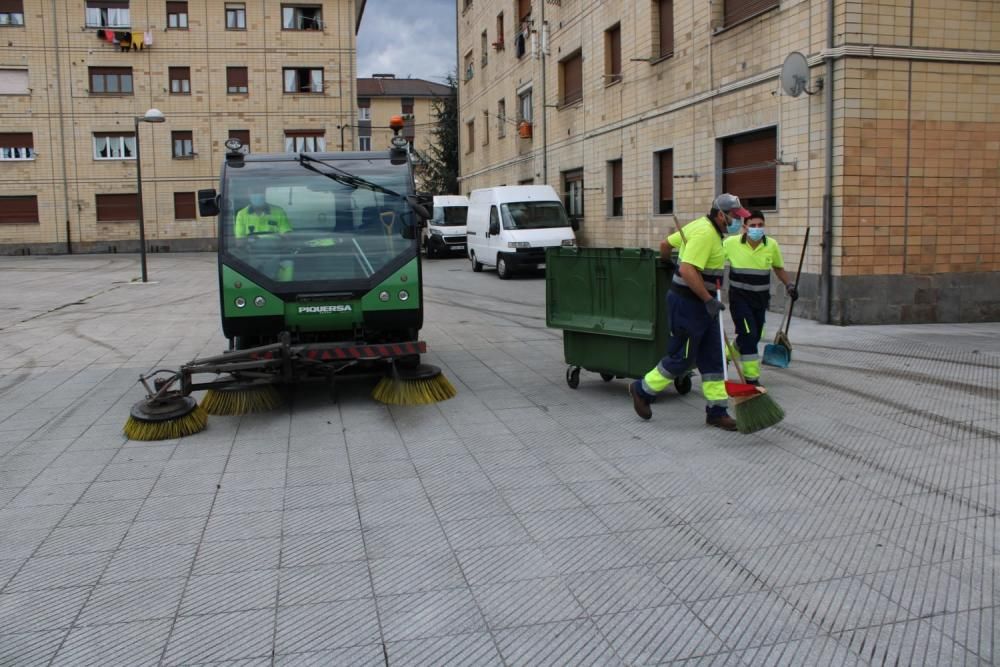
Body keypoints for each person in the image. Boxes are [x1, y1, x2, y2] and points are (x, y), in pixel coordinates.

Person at [629, 193, 750, 431]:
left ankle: (717, 411)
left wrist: (667, 263)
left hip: (705, 304)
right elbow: (687, 269)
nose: (738, 222)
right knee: (681, 357)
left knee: (714, 357)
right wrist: (706, 299)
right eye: (735, 217)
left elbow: (666, 245)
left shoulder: (702, 227)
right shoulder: (705, 234)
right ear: (720, 215)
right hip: (689, 305)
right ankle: (642, 389)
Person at [723, 210, 797, 384]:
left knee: (755, 335)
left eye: (760, 225)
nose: (757, 228)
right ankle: (751, 378)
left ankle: (726, 355)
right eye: (753, 225)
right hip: (739, 299)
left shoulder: (771, 245)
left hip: (761, 300)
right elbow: (713, 257)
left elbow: (778, 268)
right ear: (744, 227)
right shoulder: (730, 243)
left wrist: (789, 285)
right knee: (749, 336)